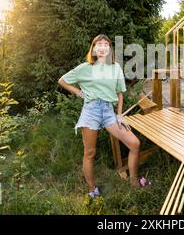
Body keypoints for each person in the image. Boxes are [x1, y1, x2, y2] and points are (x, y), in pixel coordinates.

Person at [58, 34, 149, 198]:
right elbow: (62, 80)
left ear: (109, 49)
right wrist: (78, 91)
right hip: (90, 111)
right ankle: (92, 189)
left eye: (106, 44)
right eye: (99, 44)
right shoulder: (85, 67)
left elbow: (120, 93)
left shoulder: (115, 67)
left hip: (108, 112)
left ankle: (134, 181)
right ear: (93, 49)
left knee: (134, 143)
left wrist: (120, 115)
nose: (102, 47)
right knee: (90, 153)